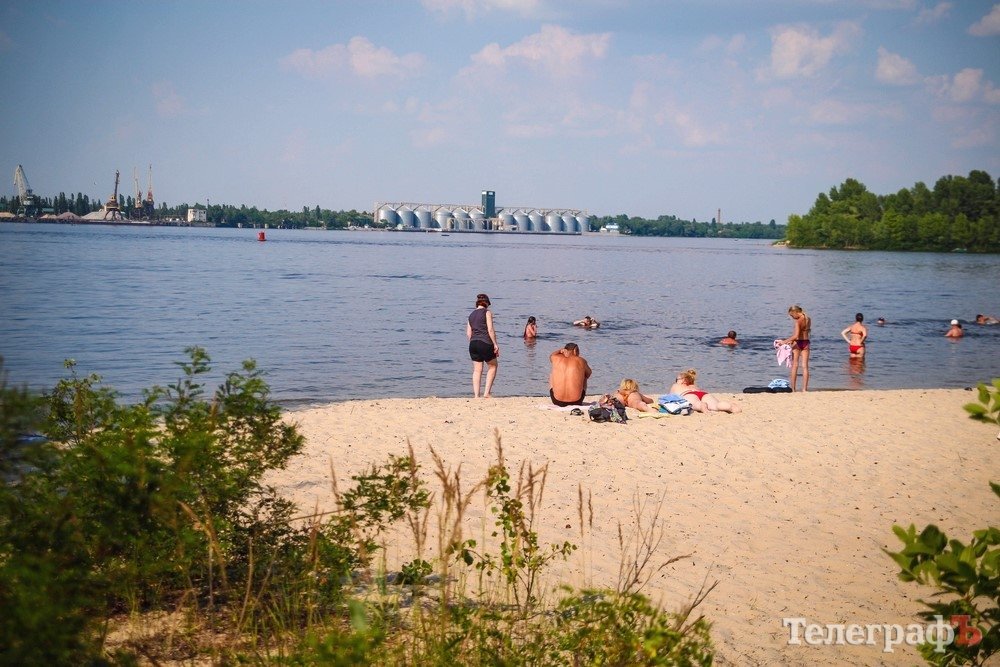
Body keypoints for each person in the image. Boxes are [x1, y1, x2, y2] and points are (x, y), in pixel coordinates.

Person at [467, 293, 499, 397]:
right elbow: (490, 329)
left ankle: (476, 395)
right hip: (484, 342)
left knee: (477, 370)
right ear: (486, 303)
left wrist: (474, 342)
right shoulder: (487, 312)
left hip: (473, 343)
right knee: (493, 366)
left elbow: (468, 333)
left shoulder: (471, 315)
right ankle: (487, 393)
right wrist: (495, 344)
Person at [668, 369, 741, 414]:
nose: (676, 381)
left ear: (683, 380)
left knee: (696, 403)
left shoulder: (676, 385)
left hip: (688, 394)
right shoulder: (694, 386)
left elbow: (670, 397)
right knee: (716, 405)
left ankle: (702, 406)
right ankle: (730, 407)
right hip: (703, 394)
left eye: (677, 379)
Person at [781, 304, 811, 391]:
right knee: (805, 366)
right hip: (806, 342)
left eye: (792, 315)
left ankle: (793, 389)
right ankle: (804, 389)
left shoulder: (798, 322)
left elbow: (796, 335)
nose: (792, 317)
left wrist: (784, 341)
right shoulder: (808, 319)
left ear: (795, 312)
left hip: (798, 343)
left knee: (795, 366)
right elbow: (806, 331)